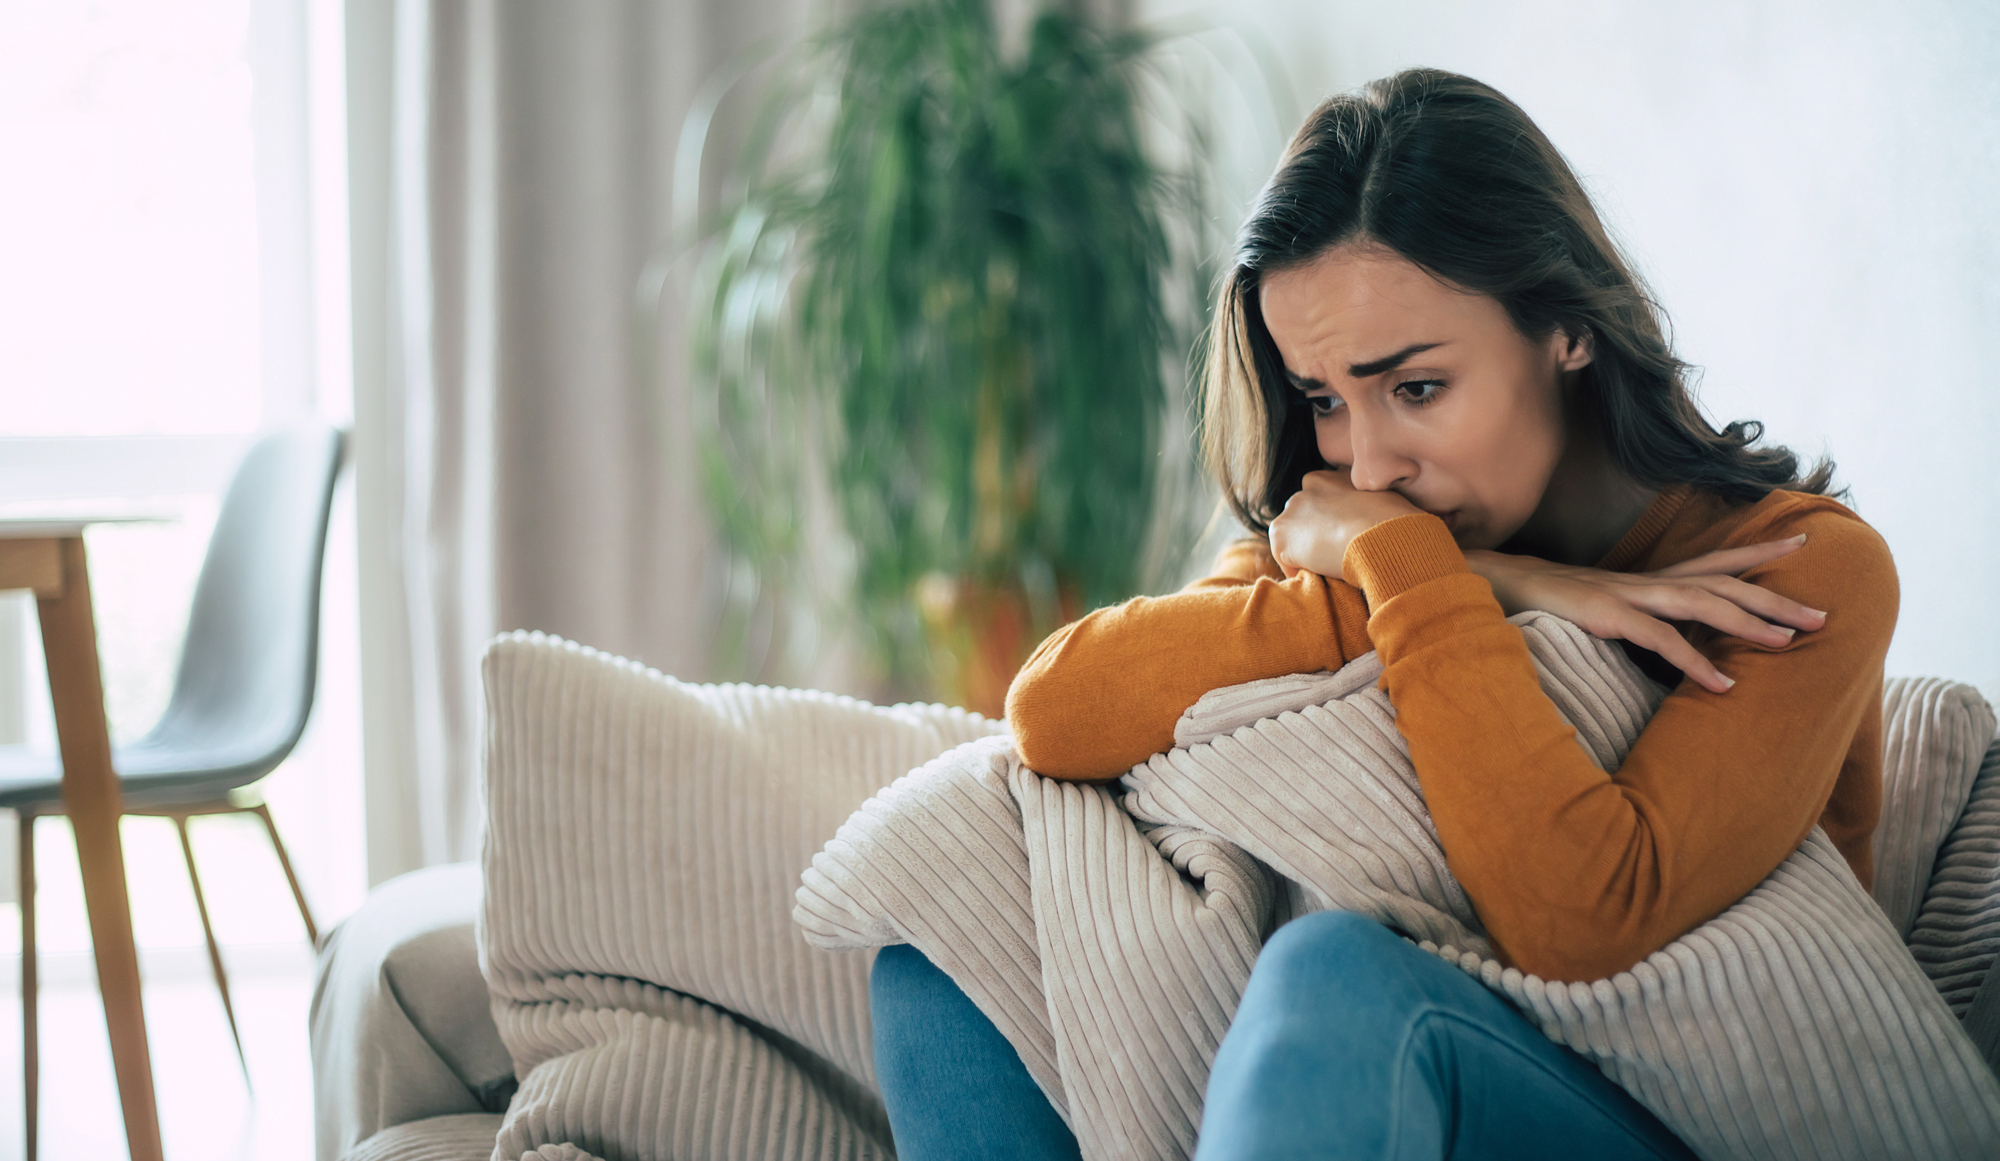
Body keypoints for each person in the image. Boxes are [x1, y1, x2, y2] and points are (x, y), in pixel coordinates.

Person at [868, 67, 1897, 1160]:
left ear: (1564, 329)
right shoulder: (1361, 536)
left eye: (1412, 389)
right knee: (944, 949)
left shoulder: (1792, 568)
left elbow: (1584, 914)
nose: (1364, 461)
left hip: (1677, 1107)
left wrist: (1410, 570)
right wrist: (1476, 580)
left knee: (1333, 977)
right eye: (1320, 400)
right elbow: (1057, 706)